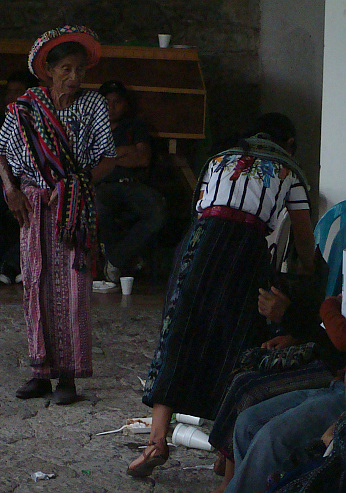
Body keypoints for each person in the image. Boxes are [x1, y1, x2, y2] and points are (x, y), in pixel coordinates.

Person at [127, 112, 315, 477]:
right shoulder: (289, 171)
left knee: (177, 333)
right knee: (238, 341)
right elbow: (305, 243)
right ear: (288, 144)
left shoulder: (219, 158)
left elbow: (202, 206)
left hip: (198, 243)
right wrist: (309, 281)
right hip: (245, 250)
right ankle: (225, 453)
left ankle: (156, 441)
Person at [0, 25, 117, 405]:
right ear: (48, 69)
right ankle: (39, 372)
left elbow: (108, 159)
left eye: (80, 69)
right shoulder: (27, 105)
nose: (74, 77)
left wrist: (73, 187)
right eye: (65, 68)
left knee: (72, 288)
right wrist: (10, 189)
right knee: (35, 281)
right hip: (31, 204)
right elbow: (1, 151)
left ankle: (68, 378)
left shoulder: (92, 105)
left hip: (71, 207)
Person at [209, 269, 345, 492]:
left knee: (272, 437)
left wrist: (325, 309)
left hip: (337, 385)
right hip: (337, 378)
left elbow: (341, 337)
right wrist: (297, 331)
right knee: (247, 423)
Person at [95, 80, 166, 282]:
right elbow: (90, 162)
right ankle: (115, 261)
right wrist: (126, 152)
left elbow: (142, 158)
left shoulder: (135, 126)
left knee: (158, 210)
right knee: (98, 209)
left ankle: (116, 260)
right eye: (106, 102)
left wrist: (111, 156)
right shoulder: (92, 127)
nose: (111, 107)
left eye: (116, 102)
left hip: (131, 184)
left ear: (125, 104)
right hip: (102, 185)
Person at [0, 71, 38, 288]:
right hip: (2, 181)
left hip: (34, 181)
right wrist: (6, 162)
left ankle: (14, 263)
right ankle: (11, 260)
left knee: (36, 205)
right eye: (8, 92)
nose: (11, 96)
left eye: (17, 92)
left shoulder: (38, 120)